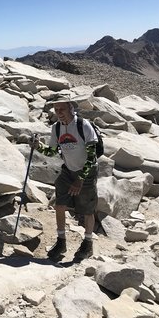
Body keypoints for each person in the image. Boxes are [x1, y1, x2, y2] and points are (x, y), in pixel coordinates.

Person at [34, 97, 98, 260]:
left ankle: (88, 243)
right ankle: (61, 241)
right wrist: (38, 147)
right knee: (60, 204)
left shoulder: (83, 125)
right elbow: (52, 151)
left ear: (71, 108)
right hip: (68, 171)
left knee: (87, 209)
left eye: (62, 109)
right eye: (56, 110)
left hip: (86, 171)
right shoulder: (56, 128)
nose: (59, 113)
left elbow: (92, 156)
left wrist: (80, 179)